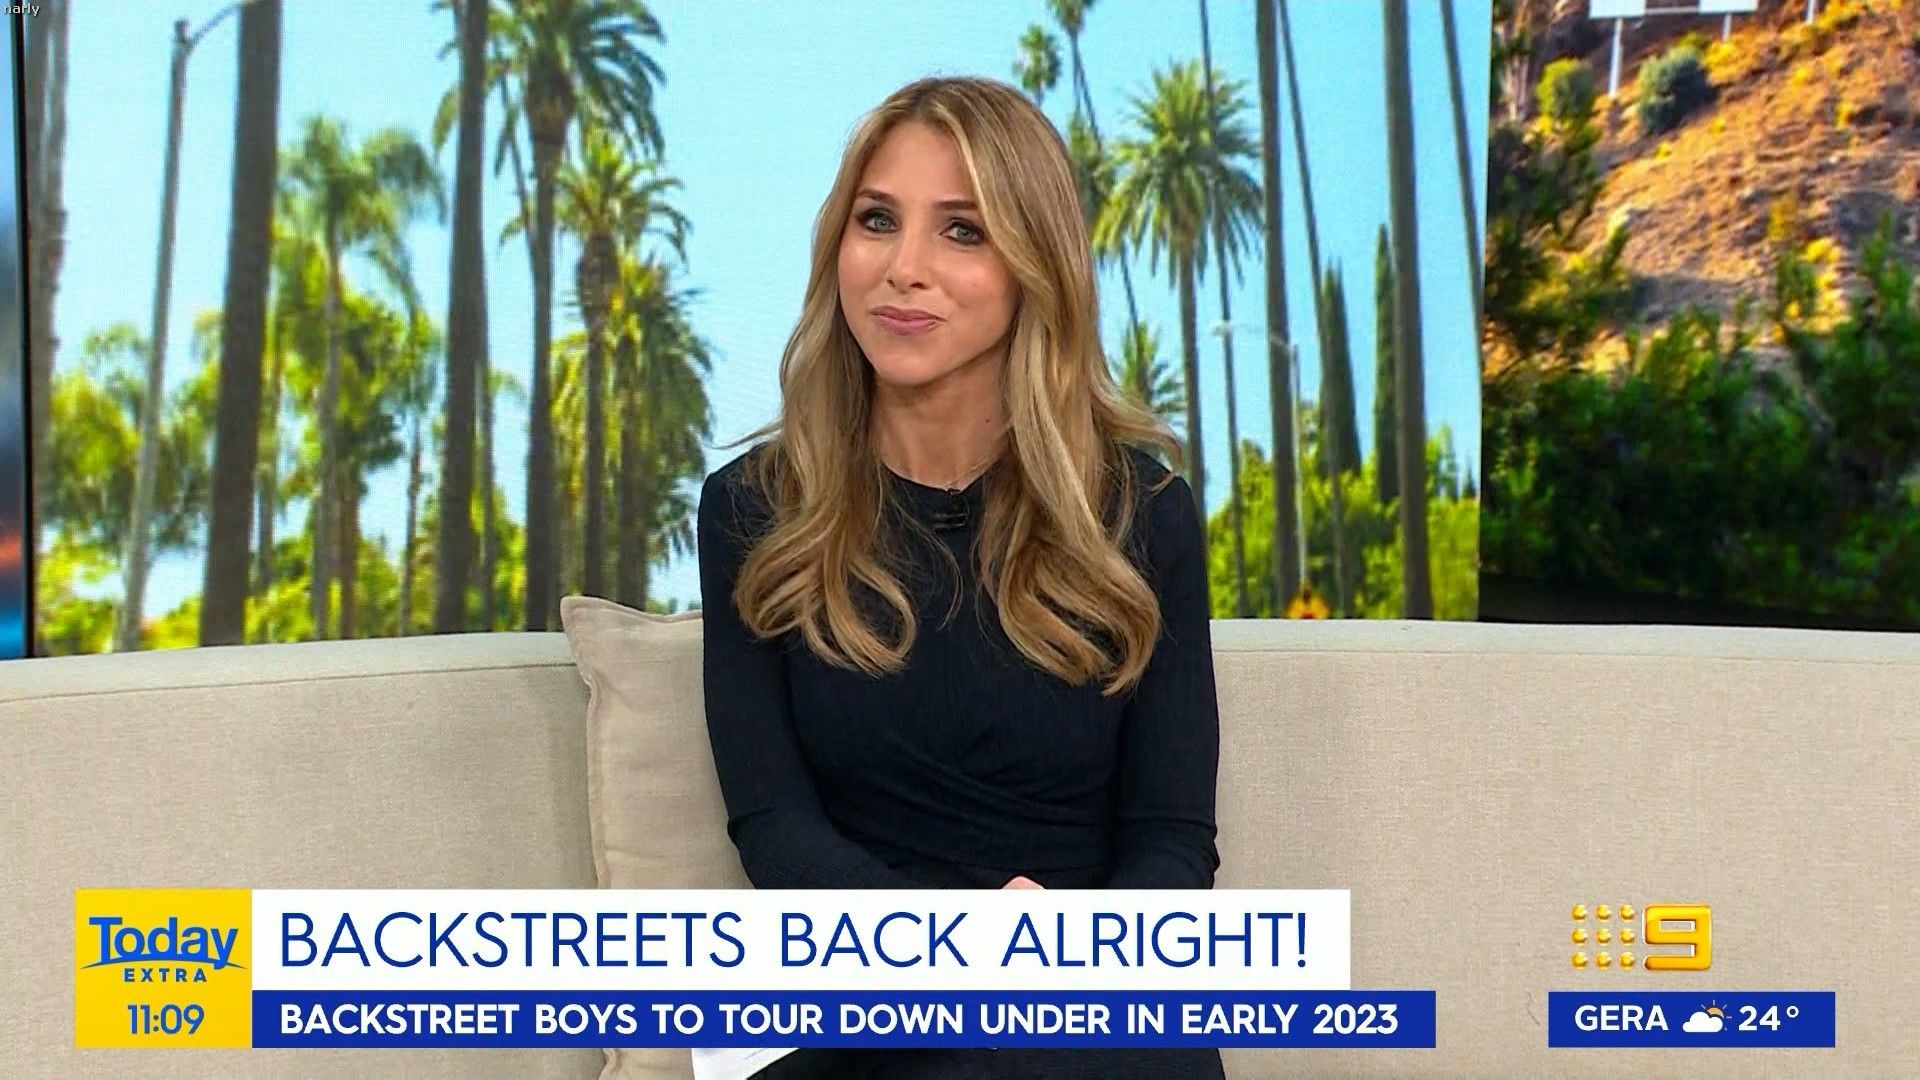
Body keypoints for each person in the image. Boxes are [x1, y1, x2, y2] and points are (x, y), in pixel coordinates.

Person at [696, 75, 1224, 1080]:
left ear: (1034, 266)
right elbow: (776, 829)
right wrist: (962, 955)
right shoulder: (753, 510)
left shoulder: (1143, 515)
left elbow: (1171, 846)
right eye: (877, 221)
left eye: (962, 232)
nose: (904, 269)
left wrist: (1063, 966)